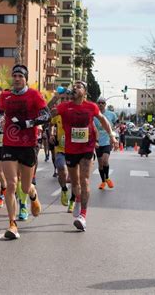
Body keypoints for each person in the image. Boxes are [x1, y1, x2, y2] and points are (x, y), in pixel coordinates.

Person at [51, 81, 118, 232]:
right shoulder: (65, 106)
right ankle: (78, 200)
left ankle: (83, 216)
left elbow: (103, 119)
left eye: (79, 86)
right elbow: (46, 113)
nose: (75, 87)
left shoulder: (91, 106)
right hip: (70, 149)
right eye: (74, 86)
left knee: (85, 180)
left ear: (85, 92)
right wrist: (56, 97)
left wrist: (112, 136)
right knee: (75, 183)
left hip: (87, 148)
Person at [0, 65, 49, 240]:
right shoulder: (6, 96)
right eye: (15, 75)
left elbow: (46, 115)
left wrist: (27, 123)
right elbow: (0, 114)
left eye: (20, 76)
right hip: (9, 144)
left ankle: (33, 196)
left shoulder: (34, 95)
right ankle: (12, 224)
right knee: (11, 184)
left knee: (25, 187)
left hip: (28, 144)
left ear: (26, 78)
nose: (17, 78)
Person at [49, 91, 72, 210]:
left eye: (69, 98)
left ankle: (72, 201)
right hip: (61, 148)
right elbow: (51, 124)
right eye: (64, 98)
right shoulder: (57, 112)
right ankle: (64, 189)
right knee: (62, 169)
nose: (66, 100)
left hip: (75, 150)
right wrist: (52, 134)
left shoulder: (76, 112)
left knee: (75, 178)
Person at [94, 97, 118, 190]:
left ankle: (107, 178)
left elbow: (117, 123)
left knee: (105, 160)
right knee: (100, 164)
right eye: (99, 103)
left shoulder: (111, 114)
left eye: (102, 103)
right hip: (97, 142)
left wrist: (113, 130)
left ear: (105, 104)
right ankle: (103, 182)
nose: (100, 104)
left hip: (107, 141)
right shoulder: (94, 115)